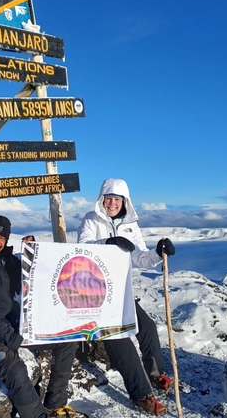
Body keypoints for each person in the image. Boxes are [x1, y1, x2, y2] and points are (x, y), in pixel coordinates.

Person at [0, 214, 80, 418]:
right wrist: (8, 335)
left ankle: (55, 403)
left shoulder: (7, 261)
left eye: (2, 238)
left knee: (66, 340)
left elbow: (37, 273)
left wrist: (33, 250)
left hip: (14, 324)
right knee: (15, 369)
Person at [77, 178, 176, 416]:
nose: (112, 203)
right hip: (95, 294)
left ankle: (154, 373)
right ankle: (141, 393)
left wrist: (158, 252)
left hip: (120, 291)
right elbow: (82, 249)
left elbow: (140, 258)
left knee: (148, 327)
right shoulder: (91, 220)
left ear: (125, 202)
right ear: (102, 199)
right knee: (120, 339)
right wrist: (107, 242)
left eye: (117, 199)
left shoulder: (130, 225)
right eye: (108, 198)